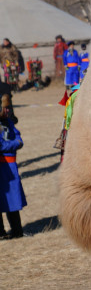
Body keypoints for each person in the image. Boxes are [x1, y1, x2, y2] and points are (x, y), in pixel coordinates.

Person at [0, 94, 26, 240]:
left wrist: (14, 144)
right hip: (2, 168)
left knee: (13, 199)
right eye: (6, 108)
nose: (8, 111)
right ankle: (1, 232)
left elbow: (19, 139)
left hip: (11, 167)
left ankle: (17, 230)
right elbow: (2, 145)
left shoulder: (9, 123)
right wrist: (14, 144)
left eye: (10, 108)